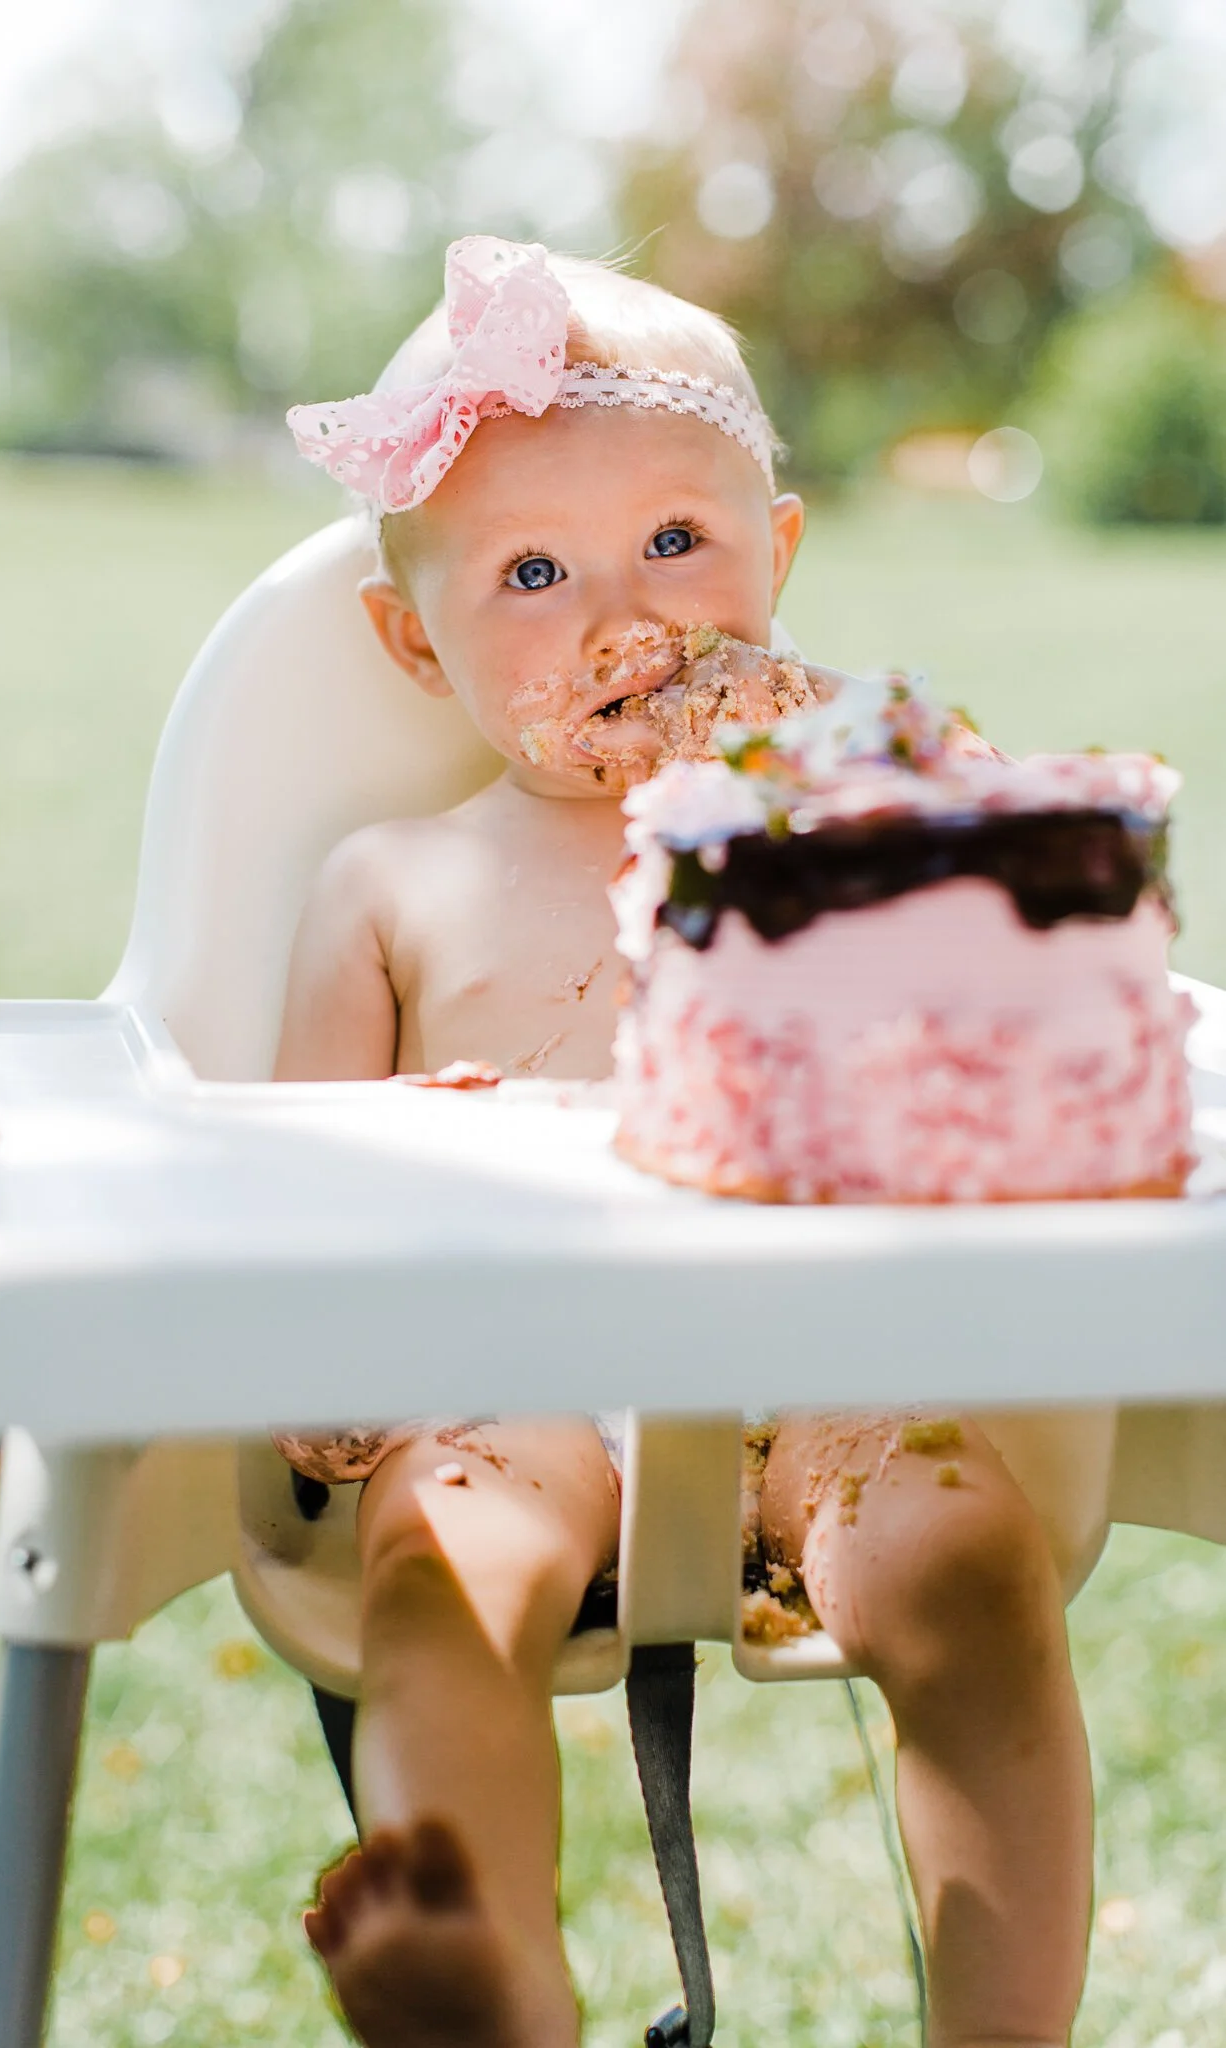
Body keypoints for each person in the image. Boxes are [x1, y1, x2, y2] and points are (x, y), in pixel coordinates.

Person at [275, 236, 1092, 2048]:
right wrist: (330, 1334)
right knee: (437, 1571)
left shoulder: (842, 833)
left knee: (968, 1554)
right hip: (515, 1389)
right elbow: (290, 1184)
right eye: (532, 572)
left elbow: (1031, 1029)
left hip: (827, 1379)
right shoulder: (393, 883)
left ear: (778, 562)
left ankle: (1006, 2023)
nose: (619, 615)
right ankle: (479, 1969)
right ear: (417, 640)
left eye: (676, 545)